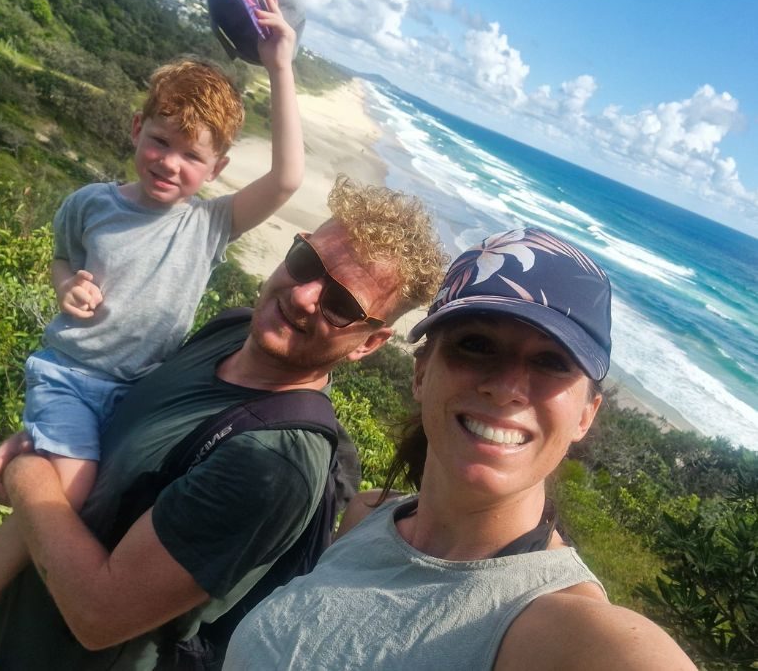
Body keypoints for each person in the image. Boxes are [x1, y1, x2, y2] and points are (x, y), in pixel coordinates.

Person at [0, 0, 305, 671]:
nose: (170, 163)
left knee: (101, 510)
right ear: (136, 127)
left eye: (192, 157)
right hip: (71, 376)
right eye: (160, 141)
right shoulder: (89, 205)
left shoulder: (208, 227)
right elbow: (61, 256)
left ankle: (18, 623)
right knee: (67, 496)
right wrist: (65, 285)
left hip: (139, 391)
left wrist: (280, 64)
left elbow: (288, 178)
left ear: (217, 170)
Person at [0, 176, 448, 670]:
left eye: (341, 303)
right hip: (5, 634)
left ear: (369, 344)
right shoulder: (232, 330)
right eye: (306, 261)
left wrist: (25, 472)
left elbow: (98, 614)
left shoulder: (271, 464)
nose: (305, 295)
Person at [224, 227, 697, 671]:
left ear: (585, 415)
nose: (508, 388)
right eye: (476, 345)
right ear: (421, 373)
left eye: (552, 361)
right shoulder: (367, 516)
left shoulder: (562, 627)